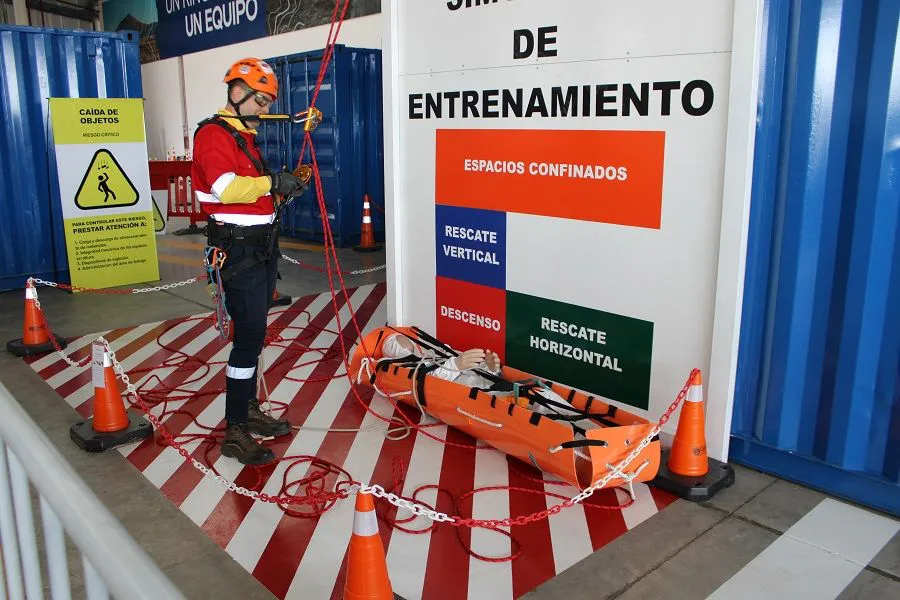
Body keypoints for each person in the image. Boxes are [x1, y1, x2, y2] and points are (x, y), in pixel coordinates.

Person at [191, 57, 308, 465]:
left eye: (266, 101)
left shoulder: (244, 138)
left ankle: (247, 410)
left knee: (254, 337)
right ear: (236, 92)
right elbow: (225, 188)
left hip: (257, 249)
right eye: (258, 99)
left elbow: (251, 192)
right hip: (238, 252)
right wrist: (273, 181)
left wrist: (279, 190)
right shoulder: (213, 134)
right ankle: (235, 429)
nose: (262, 108)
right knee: (247, 341)